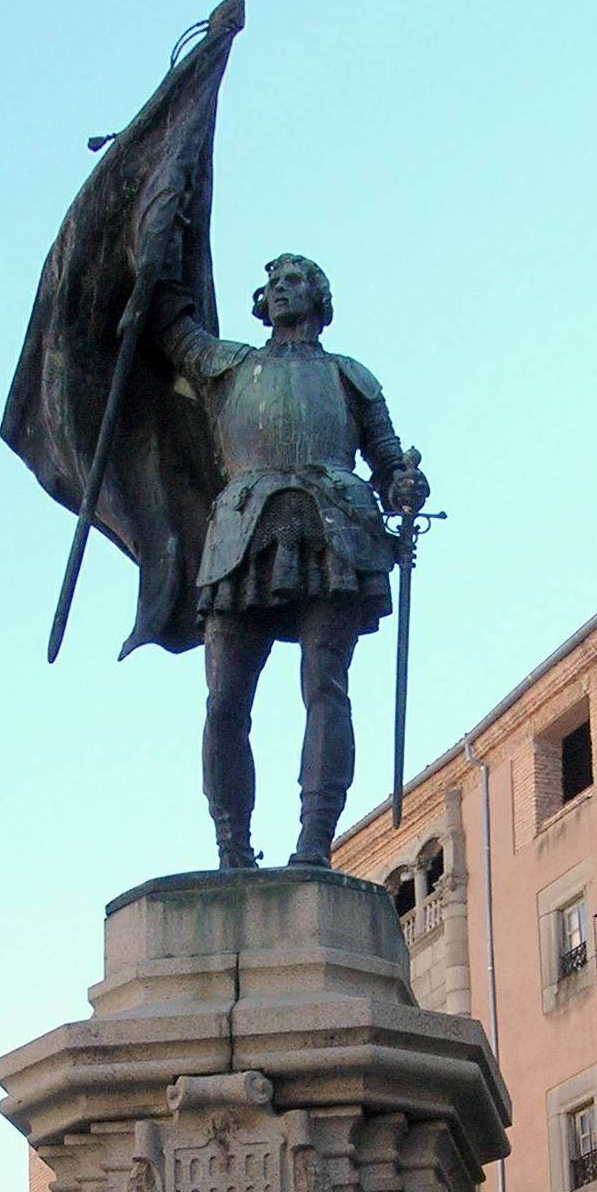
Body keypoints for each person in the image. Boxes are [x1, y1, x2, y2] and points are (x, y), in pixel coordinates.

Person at [156, 254, 427, 869]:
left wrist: (406, 485)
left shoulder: (351, 378)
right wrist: (161, 243)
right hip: (241, 535)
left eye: (295, 281)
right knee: (224, 699)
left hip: (333, 527)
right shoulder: (228, 366)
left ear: (319, 298)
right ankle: (232, 845)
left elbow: (387, 464)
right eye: (273, 283)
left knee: (325, 687)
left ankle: (315, 840)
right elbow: (169, 332)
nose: (281, 290)